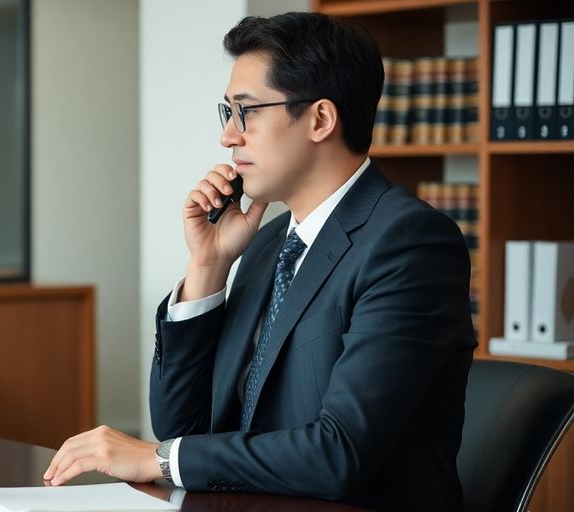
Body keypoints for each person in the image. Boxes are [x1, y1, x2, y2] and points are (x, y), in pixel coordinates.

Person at [43, 11, 476, 512]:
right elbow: (182, 429)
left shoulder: (410, 243)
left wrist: (159, 461)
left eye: (245, 112)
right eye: (226, 113)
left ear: (319, 119)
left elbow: (339, 454)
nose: (228, 136)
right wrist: (207, 267)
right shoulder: (266, 244)